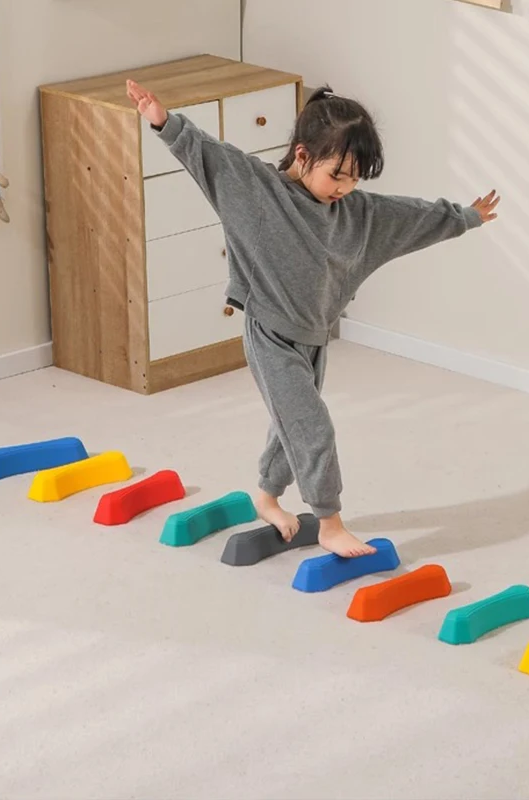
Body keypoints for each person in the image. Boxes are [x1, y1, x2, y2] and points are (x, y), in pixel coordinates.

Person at [126, 79, 499, 558]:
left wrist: (464, 217)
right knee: (313, 427)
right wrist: (162, 120)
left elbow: (410, 218)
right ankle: (330, 522)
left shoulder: (355, 214)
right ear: (302, 156)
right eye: (337, 175)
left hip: (314, 337)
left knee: (292, 424)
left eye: (355, 178)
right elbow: (210, 156)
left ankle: (266, 496)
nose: (344, 188)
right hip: (270, 335)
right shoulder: (259, 193)